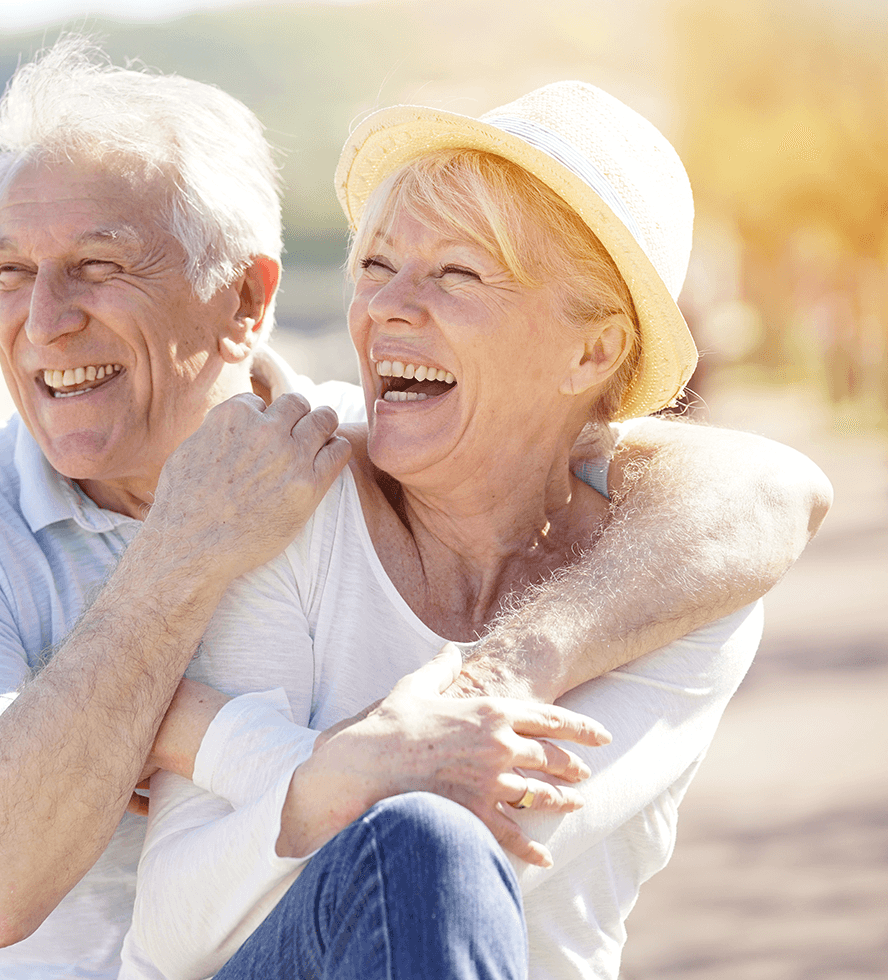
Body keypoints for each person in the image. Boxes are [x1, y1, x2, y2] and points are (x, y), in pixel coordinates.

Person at [0, 40, 832, 979]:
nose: (44, 320)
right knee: (420, 838)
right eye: (8, 274)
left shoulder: (340, 472)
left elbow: (770, 487)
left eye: (99, 266)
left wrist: (468, 684)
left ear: (246, 300)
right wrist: (183, 568)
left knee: (425, 843)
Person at [125, 82, 821, 980]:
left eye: (456, 272)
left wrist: (235, 743)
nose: (388, 308)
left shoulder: (681, 582)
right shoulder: (298, 499)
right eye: (375, 266)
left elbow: (494, 836)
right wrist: (340, 769)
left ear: (592, 351)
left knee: (430, 849)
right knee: (419, 840)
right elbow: (180, 931)